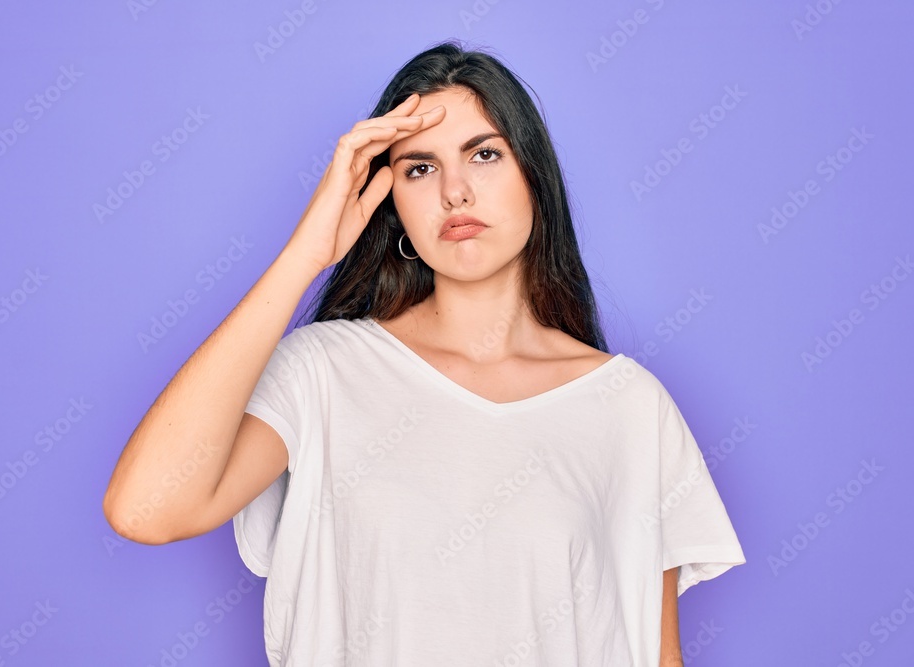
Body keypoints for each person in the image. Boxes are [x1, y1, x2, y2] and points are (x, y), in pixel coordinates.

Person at [103, 40, 746, 666]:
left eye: (485, 154)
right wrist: (305, 256)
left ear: (534, 177)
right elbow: (145, 510)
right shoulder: (322, 372)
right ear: (391, 201)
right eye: (420, 167)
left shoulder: (628, 406)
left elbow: (659, 654)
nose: (455, 191)